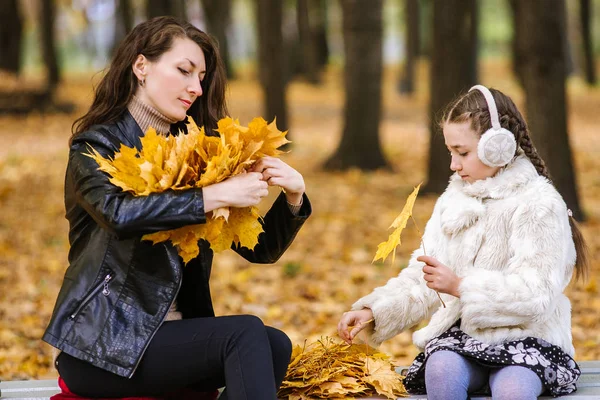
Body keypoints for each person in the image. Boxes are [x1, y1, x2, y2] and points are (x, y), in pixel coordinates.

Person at [43, 16, 311, 400]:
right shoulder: (95, 147)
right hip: (102, 346)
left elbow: (260, 249)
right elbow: (119, 215)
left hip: (169, 344)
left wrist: (293, 197)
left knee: (274, 344)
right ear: (141, 66)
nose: (196, 88)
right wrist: (215, 196)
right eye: (184, 71)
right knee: (245, 332)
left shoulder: (199, 155)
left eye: (201, 76)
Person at [337, 85, 588, 400]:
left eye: (463, 152)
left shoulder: (539, 203)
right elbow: (424, 278)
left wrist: (461, 287)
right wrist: (375, 311)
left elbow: (537, 294)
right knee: (441, 371)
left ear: (497, 147)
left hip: (530, 339)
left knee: (513, 388)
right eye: (451, 152)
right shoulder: (453, 199)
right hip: (464, 337)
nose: (454, 165)